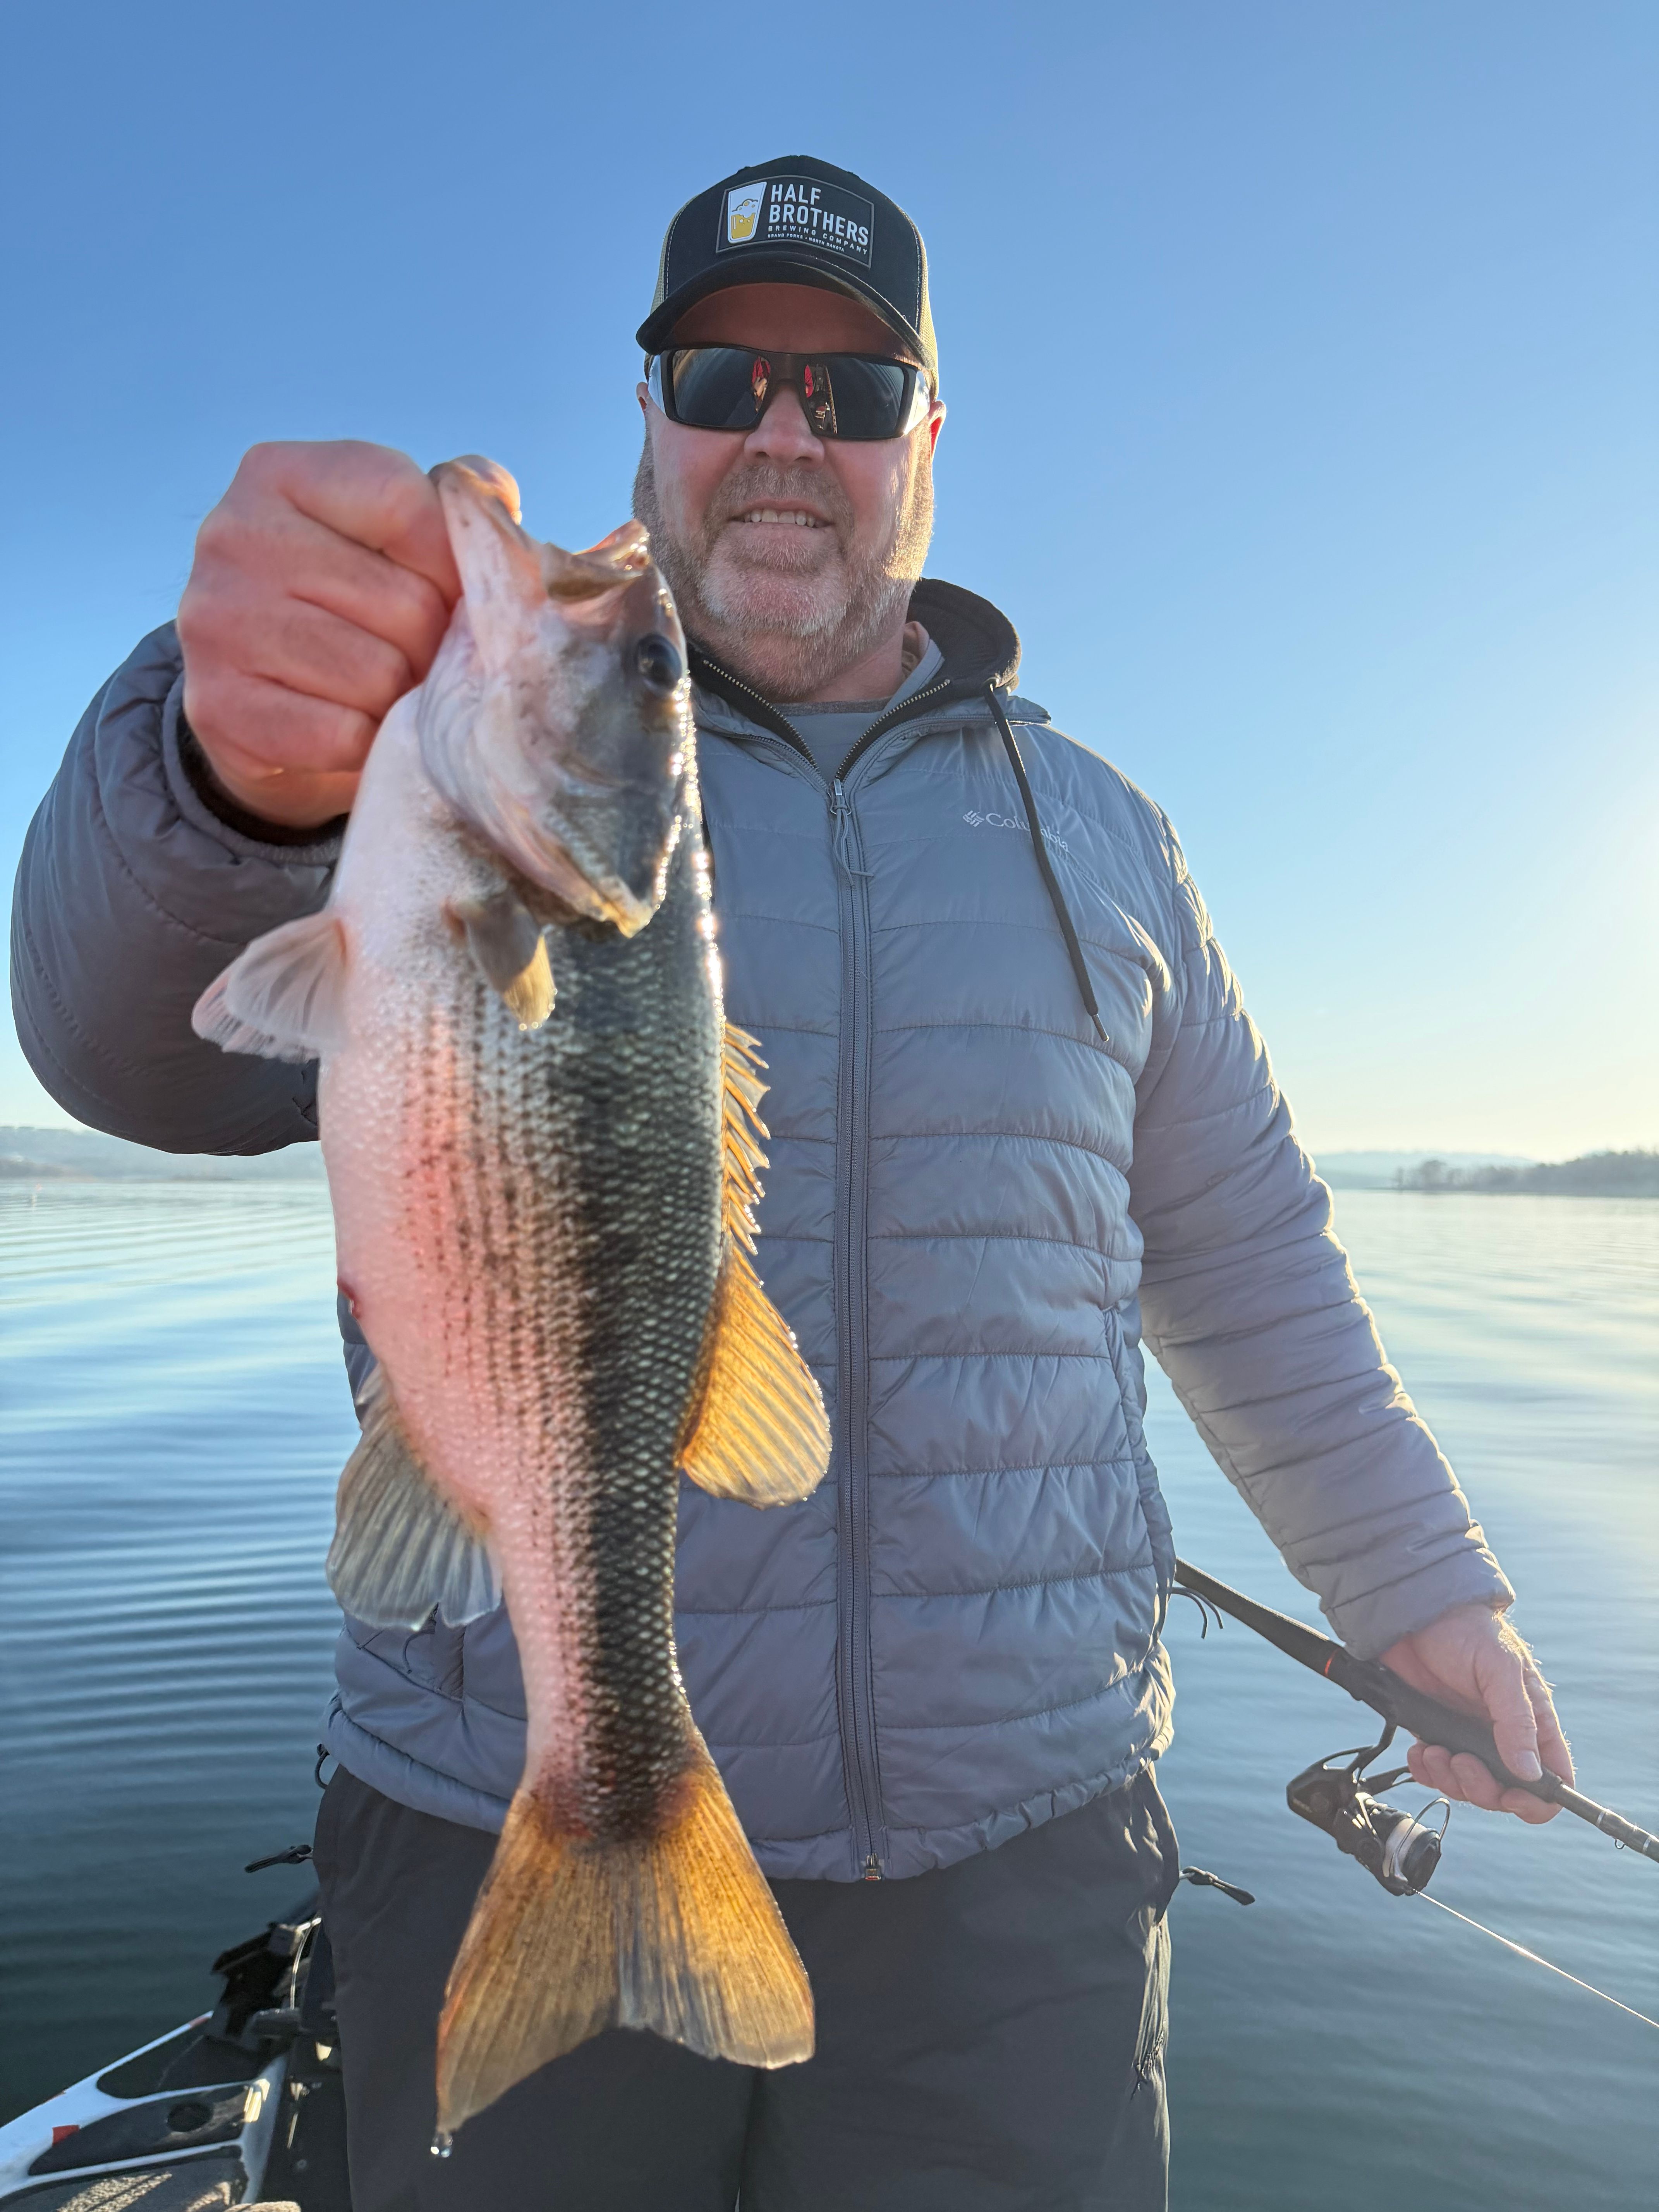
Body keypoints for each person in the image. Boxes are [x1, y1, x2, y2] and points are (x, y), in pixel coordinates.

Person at [10, 156, 1573, 2212]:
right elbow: (125, 1046)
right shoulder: (431, 748)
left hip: (1014, 1867)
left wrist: (1424, 1591)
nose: (782, 435)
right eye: (728, 373)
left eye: (850, 393)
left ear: (930, 437)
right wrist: (220, 773)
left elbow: (1248, 1255)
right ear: (649, 412)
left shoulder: (1107, 839)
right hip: (490, 1801)